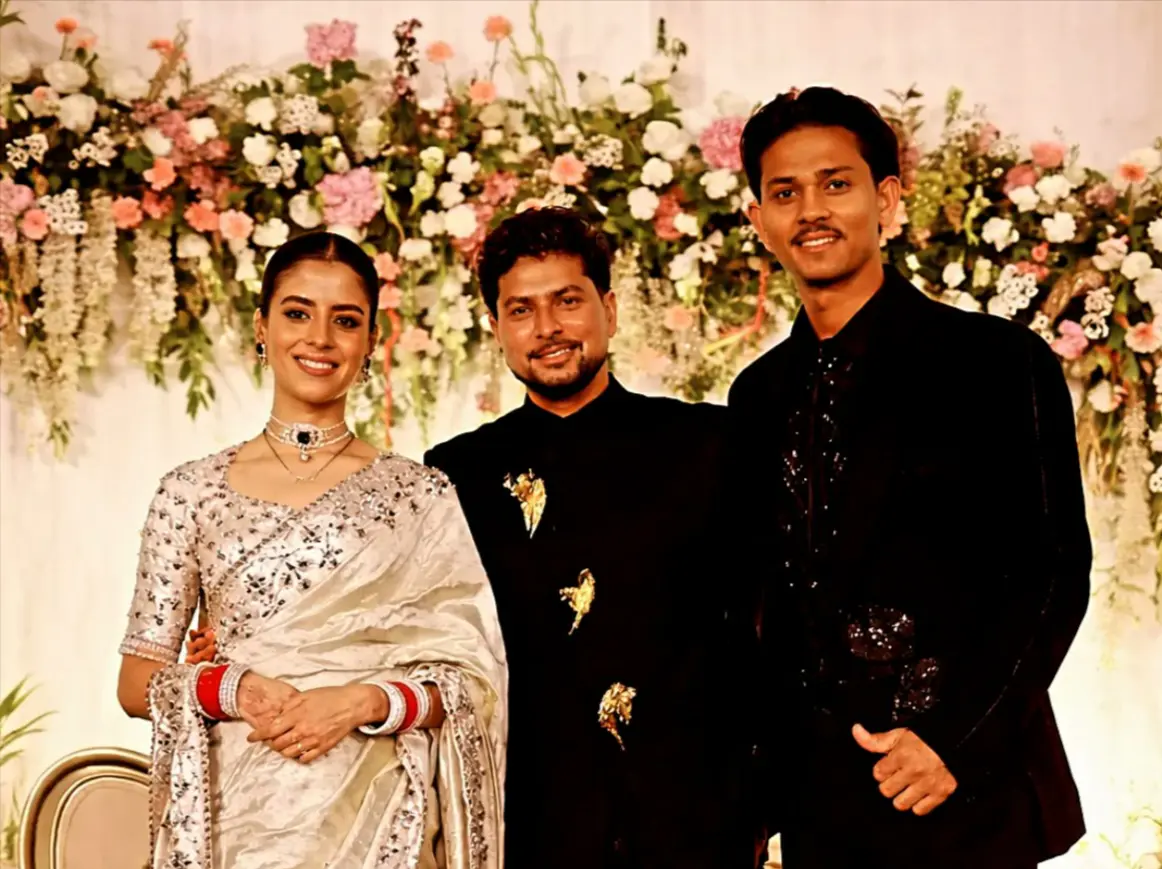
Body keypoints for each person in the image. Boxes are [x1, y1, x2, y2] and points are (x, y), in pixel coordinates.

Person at [728, 86, 1091, 868]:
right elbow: (766, 604)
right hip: (820, 807)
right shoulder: (757, 394)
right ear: (759, 220)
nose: (811, 210)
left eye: (836, 183)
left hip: (964, 794)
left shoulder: (995, 363)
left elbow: (1054, 575)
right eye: (785, 193)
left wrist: (953, 740)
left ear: (886, 200)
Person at [117, 231, 507, 869]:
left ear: (371, 340)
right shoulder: (190, 493)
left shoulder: (420, 495)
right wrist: (232, 688)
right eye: (297, 313)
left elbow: (472, 680)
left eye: (345, 320)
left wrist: (365, 701)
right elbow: (137, 684)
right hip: (234, 817)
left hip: (382, 816)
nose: (320, 338)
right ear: (261, 327)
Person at [421, 207, 758, 869]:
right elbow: (425, 640)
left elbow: (762, 625)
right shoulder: (456, 475)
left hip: (692, 822)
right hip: (531, 823)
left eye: (567, 301)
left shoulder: (706, 446)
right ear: (496, 326)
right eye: (521, 310)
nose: (546, 327)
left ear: (609, 308)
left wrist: (755, 797)